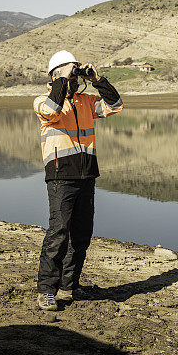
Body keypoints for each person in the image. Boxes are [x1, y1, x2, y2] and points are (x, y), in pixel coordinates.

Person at [32, 50, 124, 311]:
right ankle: (47, 290)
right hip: (61, 176)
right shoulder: (42, 101)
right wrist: (61, 76)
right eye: (68, 74)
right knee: (58, 233)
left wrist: (98, 80)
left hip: (87, 175)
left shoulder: (85, 101)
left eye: (74, 74)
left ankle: (68, 286)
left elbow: (115, 106)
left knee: (81, 235)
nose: (74, 78)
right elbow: (52, 110)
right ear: (54, 75)